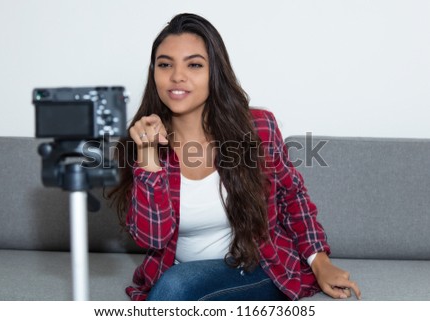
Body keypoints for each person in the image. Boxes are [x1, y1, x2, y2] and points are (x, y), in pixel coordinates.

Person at [108, 13, 361, 301]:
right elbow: (151, 237)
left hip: (257, 266)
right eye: (165, 64)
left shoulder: (258, 128)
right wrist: (148, 157)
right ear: (154, 72)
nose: (177, 76)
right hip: (181, 274)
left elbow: (292, 198)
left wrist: (320, 263)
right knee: (175, 284)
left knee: (175, 286)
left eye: (194, 64)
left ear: (214, 71)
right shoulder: (141, 142)